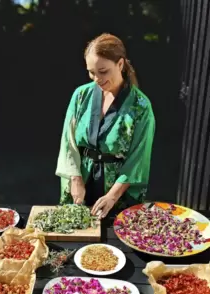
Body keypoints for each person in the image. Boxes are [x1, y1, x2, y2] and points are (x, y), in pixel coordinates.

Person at [55, 33, 156, 219]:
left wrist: (111, 196)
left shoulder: (141, 106)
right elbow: (68, 142)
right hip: (81, 181)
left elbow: (137, 160)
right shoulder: (80, 96)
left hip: (116, 190)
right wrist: (75, 179)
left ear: (120, 64)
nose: (96, 79)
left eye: (103, 71)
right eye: (91, 72)